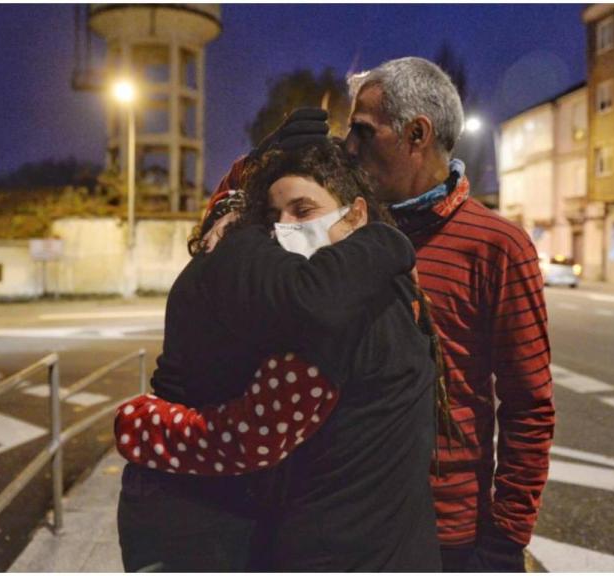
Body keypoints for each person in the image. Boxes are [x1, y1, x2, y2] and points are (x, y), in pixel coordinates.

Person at [116, 139, 441, 571]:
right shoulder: (387, 289)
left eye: (303, 211)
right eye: (273, 217)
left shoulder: (326, 312)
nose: (285, 227)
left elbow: (253, 436)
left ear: (357, 213)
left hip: (333, 551)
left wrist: (143, 426)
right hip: (396, 546)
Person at [340, 57, 556, 572]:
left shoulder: (497, 246)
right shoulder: (348, 229)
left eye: (363, 132)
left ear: (417, 134)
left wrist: (505, 540)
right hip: (345, 519)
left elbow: (529, 406)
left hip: (447, 535)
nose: (349, 147)